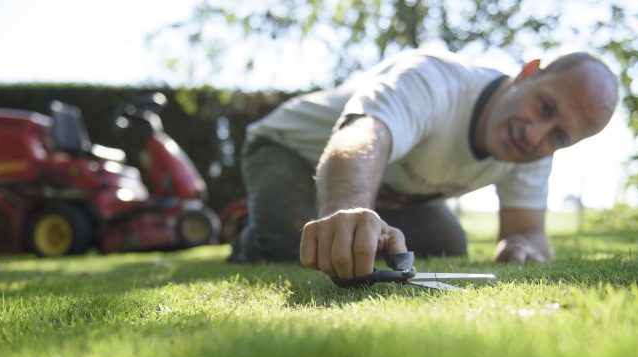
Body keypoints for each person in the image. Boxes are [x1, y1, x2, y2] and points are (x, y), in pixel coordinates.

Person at [228, 49, 618, 280]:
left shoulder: (533, 152)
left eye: (560, 137)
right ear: (527, 73)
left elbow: (529, 233)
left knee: (447, 243)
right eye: (545, 107)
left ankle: (297, 219)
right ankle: (254, 233)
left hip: (384, 188)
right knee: (300, 242)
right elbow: (363, 135)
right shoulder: (436, 81)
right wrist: (345, 208)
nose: (536, 136)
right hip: (287, 148)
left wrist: (524, 247)